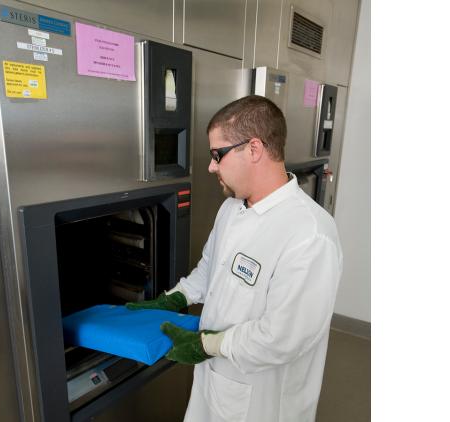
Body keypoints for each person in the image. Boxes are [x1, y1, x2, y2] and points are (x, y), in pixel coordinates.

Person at [127, 95, 343, 422]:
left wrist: (207, 345)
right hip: (215, 382)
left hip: (264, 402)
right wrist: (174, 298)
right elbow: (210, 269)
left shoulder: (310, 235)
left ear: (254, 149)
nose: (211, 166)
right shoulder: (231, 208)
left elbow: (281, 338)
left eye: (218, 154)